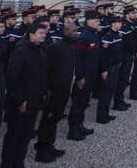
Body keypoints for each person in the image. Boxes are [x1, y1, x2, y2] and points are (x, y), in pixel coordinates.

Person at [2, 23, 48, 168]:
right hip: (21, 103)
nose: (44, 35)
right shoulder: (21, 51)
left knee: (25, 135)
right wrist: (20, 100)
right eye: (41, 33)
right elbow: (12, 78)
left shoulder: (39, 49)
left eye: (44, 33)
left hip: (34, 100)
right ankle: (8, 164)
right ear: (31, 34)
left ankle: (18, 162)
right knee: (14, 136)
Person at [36, 22, 76, 162]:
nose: (74, 33)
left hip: (64, 89)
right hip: (53, 90)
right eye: (71, 30)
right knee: (48, 120)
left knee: (55, 119)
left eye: (75, 30)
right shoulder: (56, 47)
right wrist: (47, 90)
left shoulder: (70, 46)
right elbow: (46, 70)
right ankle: (41, 150)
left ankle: (49, 145)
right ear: (65, 31)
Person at [67, 9, 100, 140]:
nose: (98, 22)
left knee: (84, 102)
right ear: (88, 21)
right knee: (77, 103)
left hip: (91, 75)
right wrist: (80, 77)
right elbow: (79, 59)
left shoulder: (94, 34)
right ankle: (73, 130)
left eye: (98, 20)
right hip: (83, 77)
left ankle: (80, 125)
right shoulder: (83, 37)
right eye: (96, 20)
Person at [96, 15, 122, 124]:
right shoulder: (108, 36)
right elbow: (103, 55)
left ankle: (105, 114)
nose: (120, 24)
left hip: (116, 66)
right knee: (105, 92)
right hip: (109, 68)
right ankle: (101, 116)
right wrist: (104, 70)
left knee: (110, 91)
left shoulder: (117, 35)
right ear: (112, 24)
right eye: (118, 22)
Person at [114, 5, 137, 109]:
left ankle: (120, 100)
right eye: (133, 13)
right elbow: (122, 43)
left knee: (124, 79)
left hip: (129, 55)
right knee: (122, 79)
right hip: (124, 56)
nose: (135, 15)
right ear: (127, 15)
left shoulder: (130, 24)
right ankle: (117, 102)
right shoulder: (124, 25)